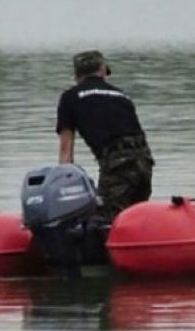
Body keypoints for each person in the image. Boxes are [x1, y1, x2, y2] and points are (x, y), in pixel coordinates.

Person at [56, 50, 154, 223]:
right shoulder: (122, 95)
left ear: (76, 76)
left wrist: (63, 191)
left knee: (107, 221)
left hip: (117, 165)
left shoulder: (69, 98)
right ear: (102, 71)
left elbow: (66, 152)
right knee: (135, 218)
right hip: (144, 162)